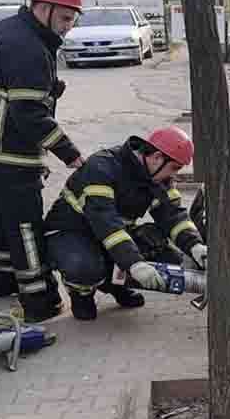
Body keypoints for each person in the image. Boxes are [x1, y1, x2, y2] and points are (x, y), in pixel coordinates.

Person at [0, 0, 85, 321]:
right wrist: (70, 154)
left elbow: (10, 86)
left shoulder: (8, 29)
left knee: (1, 221)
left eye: (72, 19)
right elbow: (29, 114)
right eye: (65, 18)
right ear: (43, 8)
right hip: (7, 153)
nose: (68, 28)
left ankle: (3, 281)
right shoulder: (28, 47)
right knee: (26, 227)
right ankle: (39, 300)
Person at [43, 126, 208, 320]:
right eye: (175, 168)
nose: (174, 175)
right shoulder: (102, 168)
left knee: (165, 254)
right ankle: (82, 294)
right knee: (84, 267)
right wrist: (134, 263)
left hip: (109, 234)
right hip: (70, 233)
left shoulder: (156, 176)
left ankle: (115, 284)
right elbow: (106, 223)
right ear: (156, 157)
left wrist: (195, 245)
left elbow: (172, 215)